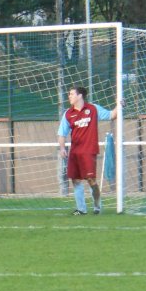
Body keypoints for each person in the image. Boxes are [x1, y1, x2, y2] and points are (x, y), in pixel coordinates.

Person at [57, 86, 119, 215]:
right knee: (75, 180)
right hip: (75, 152)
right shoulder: (68, 113)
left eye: (72, 94)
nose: (69, 96)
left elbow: (111, 115)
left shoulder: (93, 108)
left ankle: (97, 206)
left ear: (80, 96)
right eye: (69, 94)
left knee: (91, 180)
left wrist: (120, 105)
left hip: (89, 150)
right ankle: (81, 209)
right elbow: (61, 133)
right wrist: (62, 148)